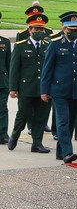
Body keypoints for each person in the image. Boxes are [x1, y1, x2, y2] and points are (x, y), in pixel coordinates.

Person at [40, 12, 77, 163]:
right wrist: (44, 90)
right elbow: (47, 69)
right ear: (63, 28)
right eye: (71, 29)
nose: (74, 32)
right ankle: (68, 153)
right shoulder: (55, 44)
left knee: (70, 122)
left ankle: (60, 151)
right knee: (62, 121)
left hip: (76, 90)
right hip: (59, 90)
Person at [8, 14, 53, 153]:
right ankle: (14, 136)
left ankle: (37, 144)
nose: (39, 32)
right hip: (26, 88)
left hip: (44, 89)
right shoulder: (20, 46)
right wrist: (13, 88)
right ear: (30, 30)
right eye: (36, 29)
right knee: (23, 115)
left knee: (41, 117)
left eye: (41, 29)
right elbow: (14, 69)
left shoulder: (48, 46)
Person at [0, 13, 11, 145]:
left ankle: (3, 134)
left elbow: (9, 65)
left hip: (2, 82)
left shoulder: (5, 42)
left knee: (2, 108)